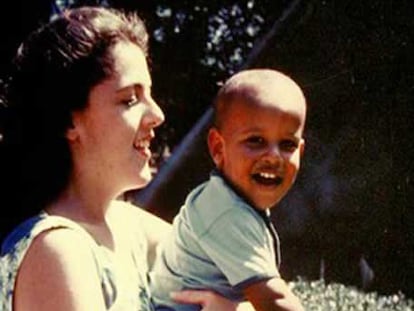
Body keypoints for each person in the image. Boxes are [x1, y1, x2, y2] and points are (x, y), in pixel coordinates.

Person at [0, 6, 254, 311]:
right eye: (130, 99)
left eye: (149, 94)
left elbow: (237, 283)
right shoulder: (56, 250)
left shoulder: (126, 225)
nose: (157, 115)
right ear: (69, 122)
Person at [150, 69, 306, 311]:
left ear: (301, 152)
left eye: (287, 144)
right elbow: (275, 301)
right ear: (218, 148)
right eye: (256, 140)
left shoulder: (235, 203)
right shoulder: (225, 212)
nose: (274, 157)